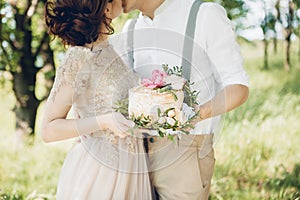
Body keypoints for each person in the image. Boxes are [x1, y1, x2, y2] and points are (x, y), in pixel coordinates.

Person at [121, 0, 249, 199]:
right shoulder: (130, 29)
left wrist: (195, 115)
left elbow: (238, 87)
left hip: (185, 154)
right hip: (135, 155)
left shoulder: (204, 15)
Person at [42, 0, 153, 199]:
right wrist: (103, 121)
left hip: (131, 166)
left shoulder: (110, 49)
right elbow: (48, 130)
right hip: (100, 171)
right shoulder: (79, 57)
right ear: (107, 8)